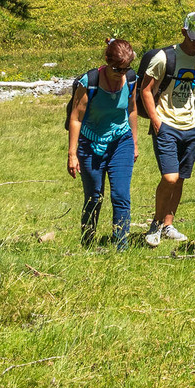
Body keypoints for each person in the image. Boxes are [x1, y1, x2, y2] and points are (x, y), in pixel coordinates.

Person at [137, 13, 195, 247]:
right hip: (166, 124)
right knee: (169, 178)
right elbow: (145, 89)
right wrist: (156, 120)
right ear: (183, 32)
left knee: (180, 179)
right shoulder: (164, 57)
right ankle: (155, 225)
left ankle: (168, 224)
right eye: (193, 37)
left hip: (191, 127)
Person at [66, 37, 139, 249]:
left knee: (121, 196)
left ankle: (121, 246)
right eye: (117, 69)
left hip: (121, 142)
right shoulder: (90, 82)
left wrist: (134, 142)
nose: (121, 74)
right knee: (94, 197)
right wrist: (72, 154)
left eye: (125, 69)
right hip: (90, 145)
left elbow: (132, 110)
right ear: (106, 61)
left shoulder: (132, 79)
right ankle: (87, 242)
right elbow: (76, 118)